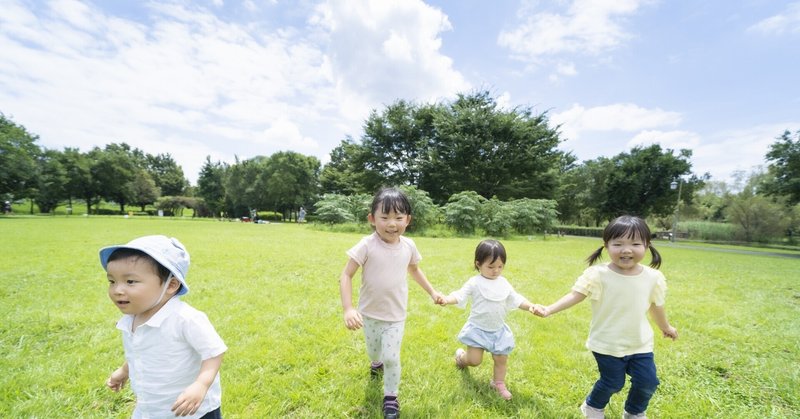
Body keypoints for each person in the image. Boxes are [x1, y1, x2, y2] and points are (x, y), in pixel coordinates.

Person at [533, 215, 678, 419]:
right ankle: (592, 407)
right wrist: (549, 309)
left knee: (648, 381)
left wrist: (666, 327)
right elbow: (575, 295)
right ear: (606, 246)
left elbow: (656, 306)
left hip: (640, 343)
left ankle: (634, 412)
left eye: (635, 243)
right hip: (607, 343)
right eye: (618, 243)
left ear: (647, 245)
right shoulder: (598, 275)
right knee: (613, 382)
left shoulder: (653, 278)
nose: (626, 250)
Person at [339, 187, 445, 419]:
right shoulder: (367, 244)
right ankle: (375, 363)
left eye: (398, 217)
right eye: (384, 217)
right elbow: (346, 275)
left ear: (408, 220)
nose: (391, 223)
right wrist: (349, 308)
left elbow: (414, 270)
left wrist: (432, 292)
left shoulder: (409, 246)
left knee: (391, 357)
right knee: (374, 352)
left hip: (396, 315)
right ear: (371, 219)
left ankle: (390, 398)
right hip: (369, 313)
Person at [101, 235, 227, 419]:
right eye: (112, 281)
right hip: (153, 408)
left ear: (171, 285)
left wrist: (201, 385)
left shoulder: (185, 319)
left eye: (130, 282)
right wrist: (124, 371)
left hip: (193, 410)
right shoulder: (132, 318)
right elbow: (140, 351)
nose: (117, 290)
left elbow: (214, 352)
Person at [438, 239, 539, 401]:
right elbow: (459, 295)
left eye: (500, 266)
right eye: (490, 267)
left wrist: (531, 306)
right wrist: (446, 299)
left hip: (498, 330)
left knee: (501, 359)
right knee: (474, 360)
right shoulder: (475, 282)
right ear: (478, 264)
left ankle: (498, 383)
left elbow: (516, 298)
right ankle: (461, 358)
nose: (496, 271)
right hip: (478, 329)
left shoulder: (503, 283)